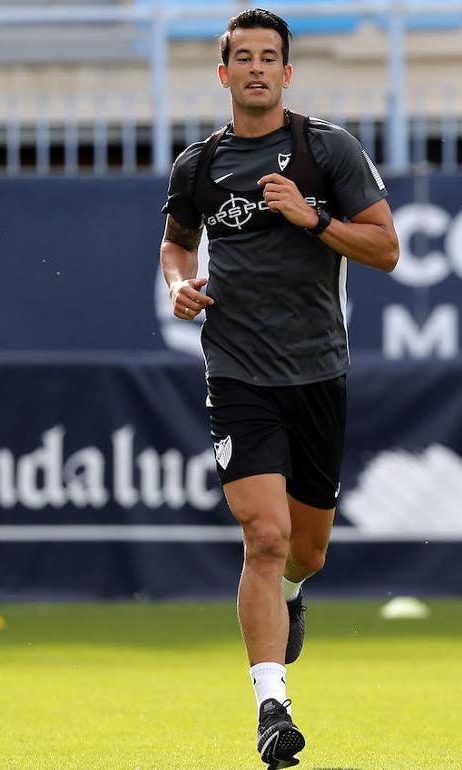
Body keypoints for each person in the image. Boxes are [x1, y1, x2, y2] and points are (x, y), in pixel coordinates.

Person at [158, 8, 399, 768]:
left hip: (317, 371)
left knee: (307, 552)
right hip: (236, 372)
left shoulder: (326, 149)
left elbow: (386, 248)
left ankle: (294, 595)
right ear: (223, 72)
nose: (257, 67)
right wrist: (178, 283)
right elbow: (176, 243)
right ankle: (272, 705)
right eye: (244, 57)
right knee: (263, 538)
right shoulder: (197, 166)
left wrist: (313, 215)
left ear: (287, 73)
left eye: (270, 57)